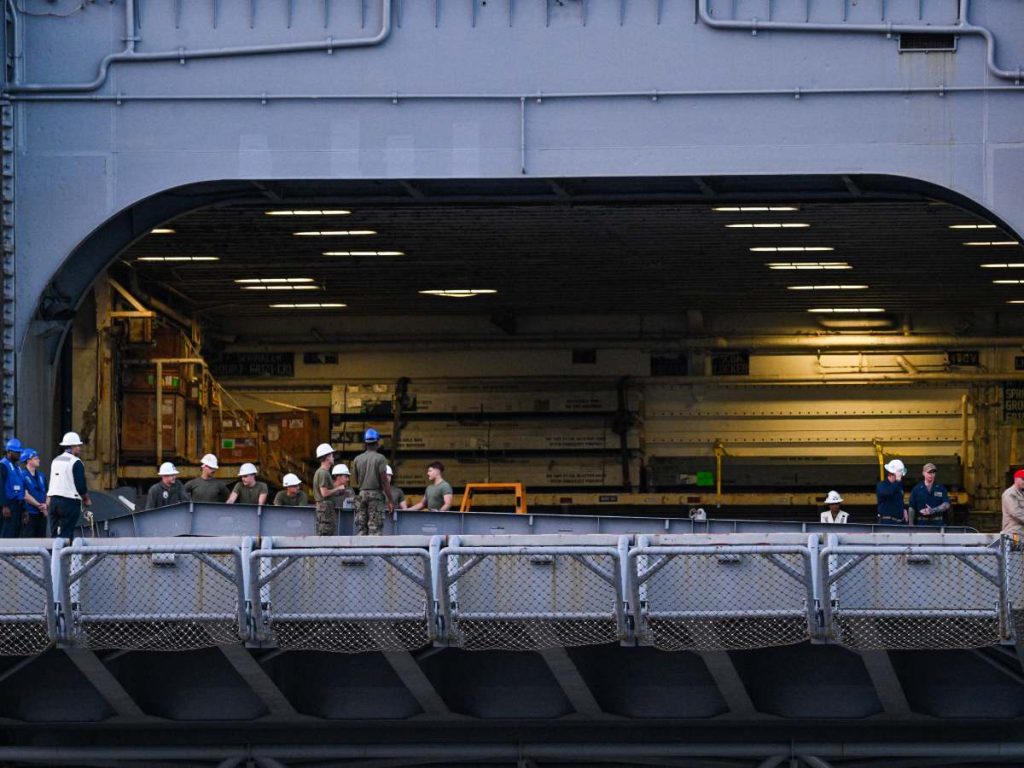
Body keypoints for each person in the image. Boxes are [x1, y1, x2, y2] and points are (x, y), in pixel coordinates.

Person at [47, 431, 90, 540]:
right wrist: (86, 499)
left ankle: (53, 555)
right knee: (67, 533)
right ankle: (64, 555)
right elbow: (80, 486)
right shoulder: (76, 462)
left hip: (54, 502)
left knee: (54, 534)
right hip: (69, 502)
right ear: (72, 447)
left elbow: (53, 481)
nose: (79, 449)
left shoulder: (55, 460)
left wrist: (48, 498)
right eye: (78, 446)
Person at [351, 428, 393, 536]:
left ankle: (361, 552)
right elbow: (384, 481)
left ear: (365, 443)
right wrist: (390, 500)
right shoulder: (380, 458)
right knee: (374, 530)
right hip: (376, 496)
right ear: (377, 442)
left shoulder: (357, 459)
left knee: (361, 529)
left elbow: (355, 479)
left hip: (361, 495)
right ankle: (373, 553)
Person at [908, 462, 951, 527]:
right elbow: (911, 507)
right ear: (923, 473)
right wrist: (910, 525)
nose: (931, 474)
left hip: (937, 525)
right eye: (929, 472)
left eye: (933, 472)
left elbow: (946, 504)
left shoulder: (941, 488)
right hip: (921, 525)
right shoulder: (916, 489)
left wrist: (933, 510)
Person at [312, 442, 341, 536]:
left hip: (325, 508)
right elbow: (324, 493)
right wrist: (337, 488)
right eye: (332, 455)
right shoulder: (323, 473)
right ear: (327, 457)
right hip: (325, 509)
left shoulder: (323, 472)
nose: (333, 457)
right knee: (326, 535)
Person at [19, 448, 47, 538]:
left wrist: (46, 505)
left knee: (42, 540)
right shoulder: (22, 475)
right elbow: (26, 496)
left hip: (42, 514)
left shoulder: (41, 476)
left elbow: (47, 493)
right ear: (28, 460)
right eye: (35, 458)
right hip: (30, 514)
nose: (38, 460)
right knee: (29, 541)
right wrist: (40, 506)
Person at [0, 438, 25, 538]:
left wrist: (24, 509)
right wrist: (4, 506)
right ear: (9, 452)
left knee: (15, 535)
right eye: (17, 452)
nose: (19, 454)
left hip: (17, 506)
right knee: (6, 534)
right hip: (8, 506)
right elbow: (1, 487)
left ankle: (12, 554)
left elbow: (22, 488)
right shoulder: (3, 465)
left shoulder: (17, 467)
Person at [876, 459, 907, 525]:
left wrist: (903, 509)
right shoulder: (881, 485)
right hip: (887, 523)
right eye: (900, 475)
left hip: (900, 522)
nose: (901, 477)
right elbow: (888, 493)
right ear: (893, 474)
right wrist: (897, 481)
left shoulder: (899, 485)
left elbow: (899, 500)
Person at [1002, 469, 1024, 535]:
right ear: (1016, 479)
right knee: (1014, 545)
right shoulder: (1009, 493)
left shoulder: (1021, 493)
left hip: (1021, 532)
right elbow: (1016, 512)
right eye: (1023, 479)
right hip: (1013, 533)